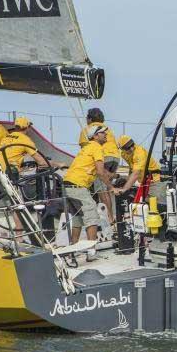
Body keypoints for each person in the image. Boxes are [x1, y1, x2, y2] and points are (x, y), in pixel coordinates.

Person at [64, 125, 120, 260]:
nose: (106, 134)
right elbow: (100, 172)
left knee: (77, 218)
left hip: (67, 185)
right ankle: (91, 252)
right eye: (102, 133)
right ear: (95, 136)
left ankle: (74, 249)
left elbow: (101, 171)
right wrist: (111, 187)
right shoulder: (97, 148)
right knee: (92, 216)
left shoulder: (87, 148)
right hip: (79, 186)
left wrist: (114, 176)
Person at [78, 108, 120, 226]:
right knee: (106, 188)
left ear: (90, 119)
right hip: (115, 158)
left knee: (101, 190)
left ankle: (110, 219)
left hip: (103, 157)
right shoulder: (107, 129)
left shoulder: (89, 129)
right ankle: (110, 215)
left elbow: (85, 149)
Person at [116, 135, 166, 204]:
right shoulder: (124, 154)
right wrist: (127, 181)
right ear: (122, 149)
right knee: (143, 204)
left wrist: (124, 189)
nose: (131, 148)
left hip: (155, 180)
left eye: (132, 145)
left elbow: (136, 173)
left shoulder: (139, 153)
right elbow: (132, 168)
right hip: (144, 182)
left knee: (155, 204)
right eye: (127, 148)